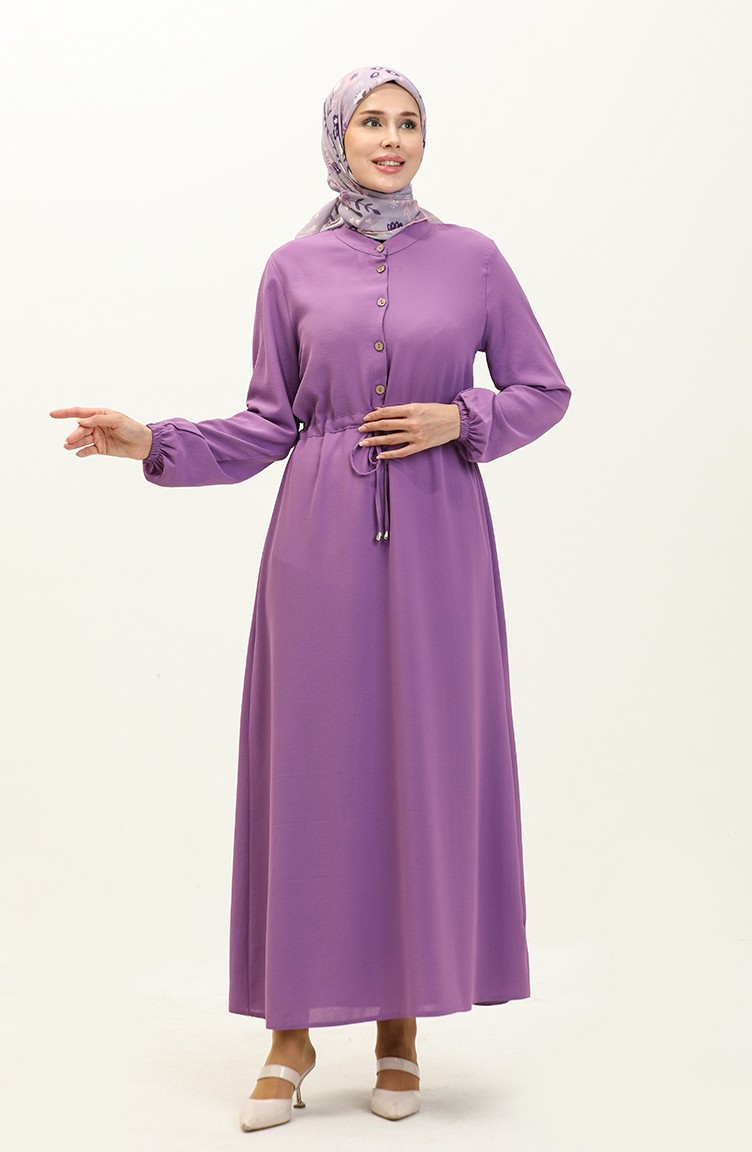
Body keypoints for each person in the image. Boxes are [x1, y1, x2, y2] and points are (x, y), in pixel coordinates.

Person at [50, 63, 571, 1131]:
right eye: (371, 122)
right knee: (315, 774)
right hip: (319, 547)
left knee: (421, 764)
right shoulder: (291, 266)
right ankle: (288, 1033)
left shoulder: (473, 259)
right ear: (337, 138)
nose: (392, 138)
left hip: (440, 542)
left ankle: (399, 1026)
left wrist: (460, 420)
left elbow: (542, 389)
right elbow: (267, 422)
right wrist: (151, 441)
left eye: (408, 122)